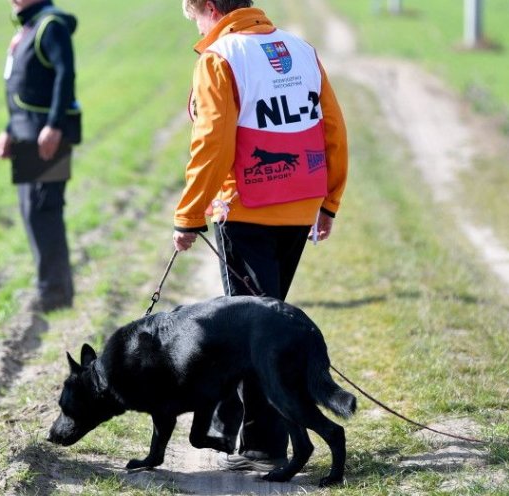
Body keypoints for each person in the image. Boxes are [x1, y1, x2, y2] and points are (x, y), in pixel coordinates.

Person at [171, 0, 348, 474]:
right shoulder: (301, 49)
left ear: (210, 7)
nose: (195, 24)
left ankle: (263, 443)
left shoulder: (219, 58)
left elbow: (213, 141)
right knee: (263, 324)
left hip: (246, 209)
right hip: (298, 205)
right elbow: (332, 127)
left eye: (192, 14)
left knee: (253, 333)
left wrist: (188, 215)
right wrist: (329, 200)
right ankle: (253, 432)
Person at [0, 0, 81, 312]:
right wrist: (9, 130)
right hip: (26, 133)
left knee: (44, 212)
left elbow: (64, 75)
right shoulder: (29, 25)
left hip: (45, 136)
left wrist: (55, 125)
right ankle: (53, 290)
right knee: (33, 212)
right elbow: (27, 88)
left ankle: (54, 295)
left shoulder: (50, 25)